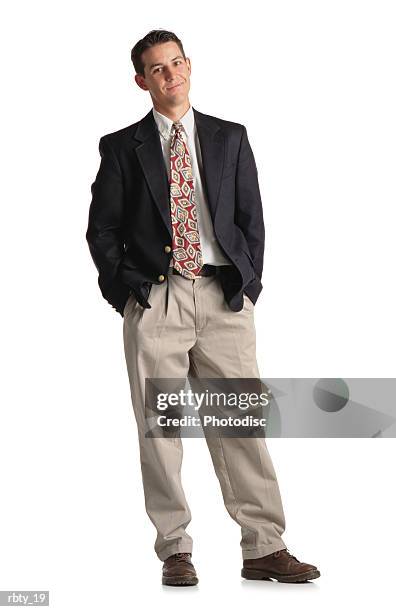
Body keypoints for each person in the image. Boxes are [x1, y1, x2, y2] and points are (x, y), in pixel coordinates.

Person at [86, 28, 320, 586]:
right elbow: (103, 229)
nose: (171, 76)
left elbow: (251, 219)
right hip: (157, 297)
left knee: (240, 423)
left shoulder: (228, 137)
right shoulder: (122, 146)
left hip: (223, 297)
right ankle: (175, 549)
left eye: (177, 63)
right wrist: (129, 295)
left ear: (189, 66)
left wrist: (249, 286)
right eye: (158, 69)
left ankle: (264, 546)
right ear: (142, 81)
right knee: (161, 430)